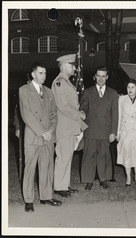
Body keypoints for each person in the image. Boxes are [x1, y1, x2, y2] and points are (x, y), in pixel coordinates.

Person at [19, 62, 61, 212]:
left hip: (48, 137)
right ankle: (29, 200)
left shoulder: (49, 92)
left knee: (46, 167)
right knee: (30, 168)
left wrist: (50, 130)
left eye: (45, 73)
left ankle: (46, 196)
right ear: (33, 74)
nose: (44, 76)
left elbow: (54, 115)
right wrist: (42, 132)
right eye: (40, 73)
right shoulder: (24, 90)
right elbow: (27, 115)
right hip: (33, 136)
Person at [51, 54, 88, 197]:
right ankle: (59, 187)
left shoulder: (66, 82)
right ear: (64, 65)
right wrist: (79, 115)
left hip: (70, 126)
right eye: (72, 66)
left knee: (68, 157)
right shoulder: (59, 82)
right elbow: (63, 106)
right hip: (64, 126)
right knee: (63, 157)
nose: (75, 68)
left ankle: (64, 185)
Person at [79, 66, 118, 190]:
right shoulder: (88, 92)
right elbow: (83, 106)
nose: (101, 79)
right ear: (94, 77)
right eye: (98, 76)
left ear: (107, 77)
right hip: (90, 130)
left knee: (104, 156)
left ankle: (104, 179)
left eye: (103, 76)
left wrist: (113, 131)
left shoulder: (113, 93)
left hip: (105, 131)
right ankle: (88, 180)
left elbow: (115, 114)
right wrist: (82, 112)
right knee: (89, 155)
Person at [116, 79, 136, 186]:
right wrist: (118, 132)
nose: (130, 89)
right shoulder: (121, 99)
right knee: (127, 153)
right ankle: (128, 178)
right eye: (128, 87)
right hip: (125, 130)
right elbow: (119, 116)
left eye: (132, 87)